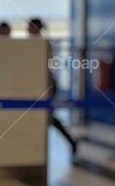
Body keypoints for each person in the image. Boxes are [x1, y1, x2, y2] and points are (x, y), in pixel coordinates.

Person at [27, 17, 78, 155]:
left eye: (31, 27)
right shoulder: (33, 43)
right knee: (48, 118)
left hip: (46, 84)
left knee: (49, 118)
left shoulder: (43, 44)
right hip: (40, 83)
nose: (29, 29)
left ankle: (71, 142)